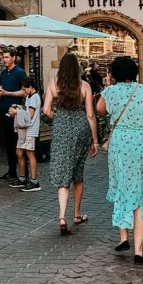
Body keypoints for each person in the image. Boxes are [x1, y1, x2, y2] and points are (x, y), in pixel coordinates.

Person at [96, 55, 143, 264]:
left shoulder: (110, 92)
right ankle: (139, 250)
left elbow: (100, 110)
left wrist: (108, 88)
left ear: (114, 73)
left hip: (120, 144)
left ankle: (123, 236)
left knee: (122, 187)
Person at [42, 54, 98, 232]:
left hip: (62, 128)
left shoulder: (54, 83)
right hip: (81, 128)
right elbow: (90, 115)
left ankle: (62, 217)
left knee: (63, 172)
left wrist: (57, 118)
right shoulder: (85, 86)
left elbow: (46, 110)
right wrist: (95, 140)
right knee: (77, 172)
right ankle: (77, 213)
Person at [0, 47, 27, 181]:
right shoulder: (3, 73)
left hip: (15, 111)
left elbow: (25, 91)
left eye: (7, 57)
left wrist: (8, 93)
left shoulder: (20, 72)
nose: (4, 60)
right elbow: (1, 89)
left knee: (16, 142)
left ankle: (22, 173)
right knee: (7, 142)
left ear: (13, 58)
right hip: (3, 110)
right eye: (3, 57)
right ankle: (11, 171)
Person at [9, 76, 42, 192]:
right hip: (25, 129)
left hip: (30, 129)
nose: (23, 91)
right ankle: (22, 178)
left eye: (24, 89)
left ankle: (34, 181)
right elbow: (27, 112)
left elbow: (30, 115)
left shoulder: (35, 97)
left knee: (30, 154)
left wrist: (17, 112)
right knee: (19, 151)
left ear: (30, 87)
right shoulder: (29, 96)